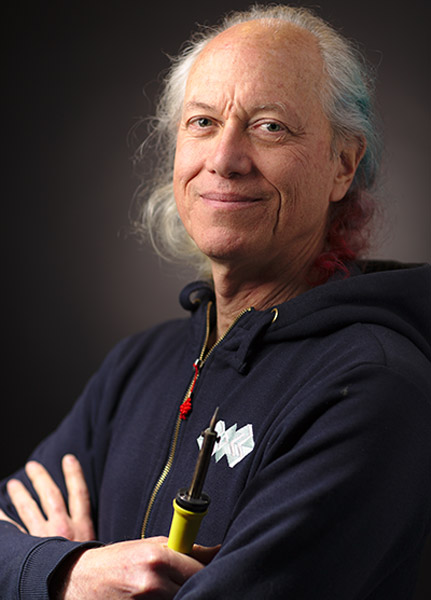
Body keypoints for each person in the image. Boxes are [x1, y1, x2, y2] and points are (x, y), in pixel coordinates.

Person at [1, 4, 430, 599]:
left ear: (343, 164)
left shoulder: (373, 390)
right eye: (202, 122)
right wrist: (67, 572)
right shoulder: (136, 367)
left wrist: (43, 573)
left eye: (270, 126)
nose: (225, 159)